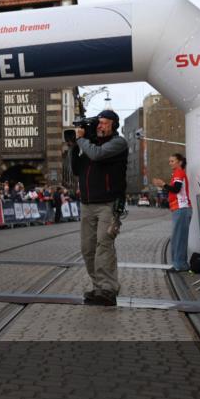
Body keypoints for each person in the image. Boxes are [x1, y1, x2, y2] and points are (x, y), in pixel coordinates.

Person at [69, 109, 128, 306]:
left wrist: (82, 141)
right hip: (87, 204)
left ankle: (108, 289)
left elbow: (97, 156)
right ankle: (98, 287)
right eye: (99, 123)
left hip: (108, 204)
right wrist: (73, 146)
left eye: (103, 122)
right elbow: (76, 169)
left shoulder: (118, 143)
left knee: (104, 246)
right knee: (87, 249)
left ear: (113, 124)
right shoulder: (89, 144)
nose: (100, 126)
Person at [165, 153, 192, 272]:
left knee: (178, 237)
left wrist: (163, 185)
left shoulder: (179, 172)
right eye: (169, 161)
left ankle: (179, 265)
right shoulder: (177, 173)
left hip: (182, 208)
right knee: (178, 237)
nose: (170, 163)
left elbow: (176, 189)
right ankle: (179, 263)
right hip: (179, 209)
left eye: (172, 161)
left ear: (180, 162)